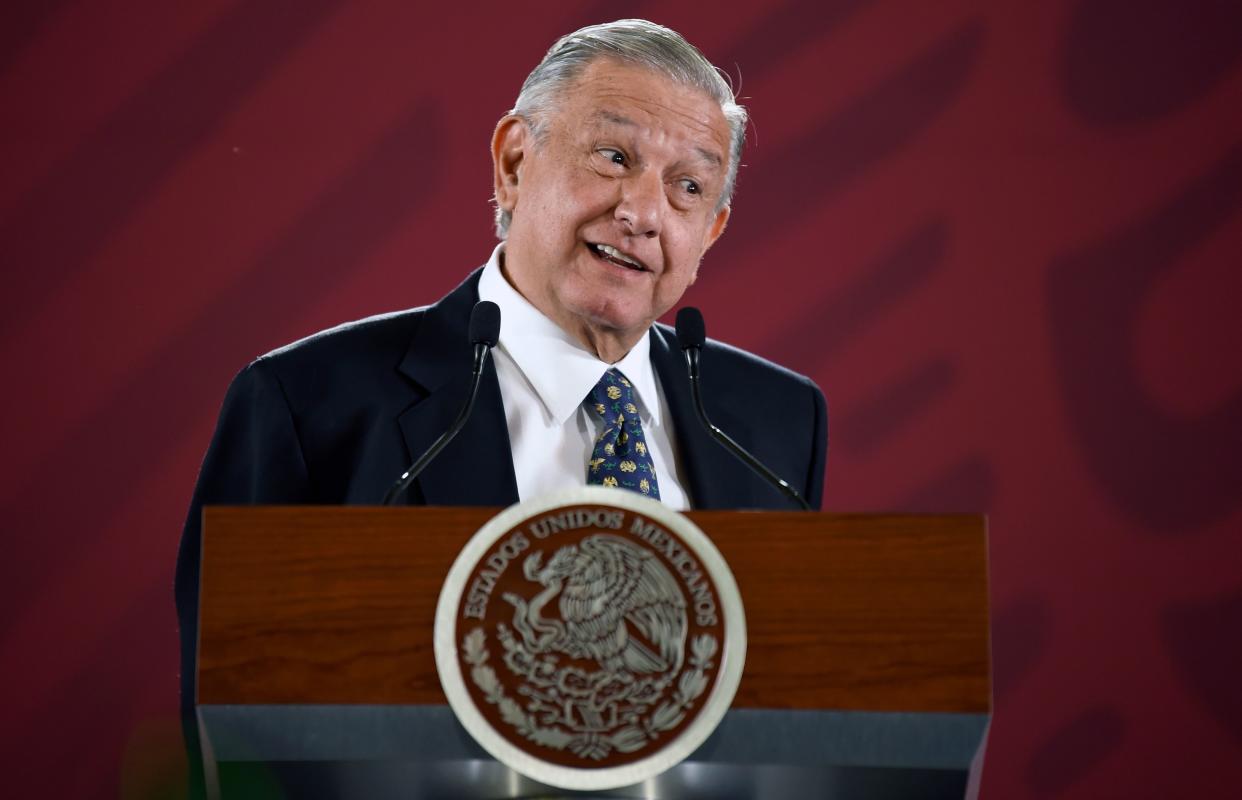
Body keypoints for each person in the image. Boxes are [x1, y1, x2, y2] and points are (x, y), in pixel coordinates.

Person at [175, 17, 827, 792]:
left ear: (712, 228)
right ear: (515, 162)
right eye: (614, 157)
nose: (645, 212)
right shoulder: (309, 405)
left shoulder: (776, 424)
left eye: (688, 187)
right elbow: (243, 734)